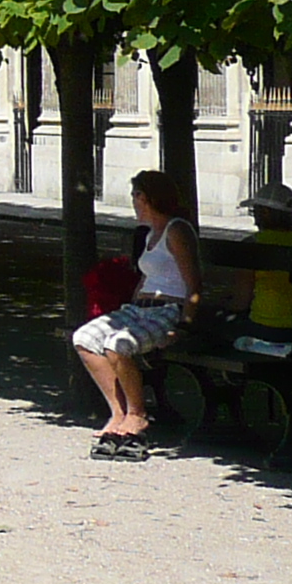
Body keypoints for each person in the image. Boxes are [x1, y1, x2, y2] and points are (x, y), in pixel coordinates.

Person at [75, 169, 204, 454]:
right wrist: (129, 307)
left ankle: (138, 414)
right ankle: (118, 413)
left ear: (148, 198)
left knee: (117, 345)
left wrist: (186, 324)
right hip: (139, 308)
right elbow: (146, 278)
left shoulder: (177, 230)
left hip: (166, 310)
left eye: (136, 196)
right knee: (84, 339)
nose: (133, 202)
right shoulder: (150, 235)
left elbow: (194, 282)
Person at [229, 181, 292, 358]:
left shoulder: (252, 246)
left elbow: (241, 301)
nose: (254, 217)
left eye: (256, 211)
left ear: (266, 212)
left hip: (271, 330)